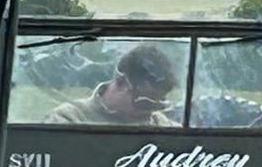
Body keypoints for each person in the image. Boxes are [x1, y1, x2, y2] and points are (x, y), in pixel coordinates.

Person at [45, 44, 178, 126]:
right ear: (121, 83)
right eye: (145, 102)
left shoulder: (160, 124)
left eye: (159, 104)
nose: (149, 111)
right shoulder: (69, 118)